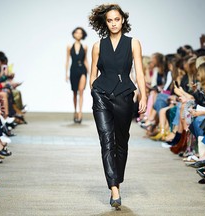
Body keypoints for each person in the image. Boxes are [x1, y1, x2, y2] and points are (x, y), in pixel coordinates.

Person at [89, 3, 147, 209]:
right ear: (105, 23)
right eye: (110, 20)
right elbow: (92, 76)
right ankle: (114, 188)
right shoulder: (97, 46)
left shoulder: (133, 44)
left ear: (123, 20)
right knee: (106, 140)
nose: (113, 23)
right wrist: (94, 93)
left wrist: (143, 95)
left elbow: (139, 72)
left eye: (117, 19)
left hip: (124, 95)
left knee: (121, 142)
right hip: (102, 95)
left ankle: (117, 180)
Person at [65, 27, 89, 123]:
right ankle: (75, 111)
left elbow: (86, 60)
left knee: (81, 91)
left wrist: (91, 73)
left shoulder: (85, 46)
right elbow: (67, 60)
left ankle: (80, 113)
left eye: (80, 33)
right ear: (74, 34)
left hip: (82, 69)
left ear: (83, 35)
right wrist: (66, 73)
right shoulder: (69, 47)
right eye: (77, 32)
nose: (78, 34)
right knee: (75, 92)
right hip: (73, 69)